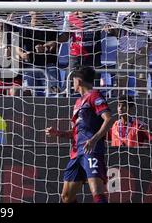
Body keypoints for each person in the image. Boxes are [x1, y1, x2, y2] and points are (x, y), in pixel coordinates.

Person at [46, 66, 114, 203]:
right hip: (76, 152)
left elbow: (109, 119)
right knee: (66, 197)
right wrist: (58, 133)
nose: (72, 84)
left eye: (73, 80)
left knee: (97, 191)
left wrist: (94, 140)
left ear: (79, 80)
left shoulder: (95, 96)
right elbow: (77, 133)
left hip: (91, 150)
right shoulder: (78, 102)